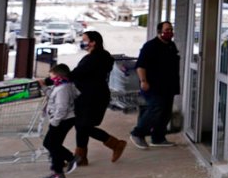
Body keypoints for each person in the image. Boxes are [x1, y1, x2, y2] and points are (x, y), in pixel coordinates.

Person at [70, 30, 127, 165]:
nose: (82, 42)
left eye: (84, 40)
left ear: (93, 42)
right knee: (81, 125)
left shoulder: (95, 58)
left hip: (93, 97)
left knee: (84, 126)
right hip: (87, 96)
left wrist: (53, 79)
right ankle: (81, 157)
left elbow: (76, 74)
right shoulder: (99, 56)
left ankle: (116, 144)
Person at [129, 21, 180, 149]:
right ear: (159, 31)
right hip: (153, 86)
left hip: (169, 86)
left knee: (165, 113)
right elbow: (141, 66)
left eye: (171, 30)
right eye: (167, 30)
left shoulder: (171, 45)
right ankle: (137, 133)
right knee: (156, 109)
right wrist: (143, 81)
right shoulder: (150, 46)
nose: (170, 32)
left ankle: (158, 138)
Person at [40, 63, 79, 178]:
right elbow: (52, 97)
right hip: (62, 119)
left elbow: (62, 108)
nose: (50, 79)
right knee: (50, 143)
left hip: (63, 120)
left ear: (59, 76)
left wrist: (55, 122)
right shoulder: (60, 86)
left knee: (52, 144)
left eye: (52, 76)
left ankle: (58, 172)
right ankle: (70, 158)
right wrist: (43, 87)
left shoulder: (63, 89)